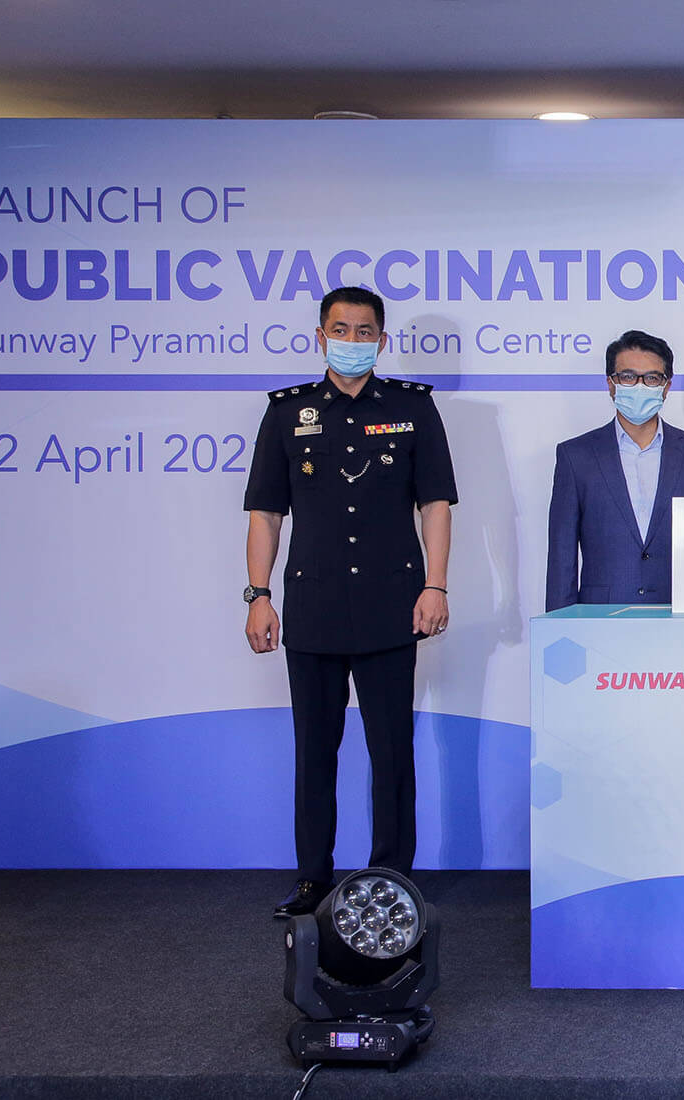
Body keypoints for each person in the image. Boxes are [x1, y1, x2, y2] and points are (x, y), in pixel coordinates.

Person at [243, 286, 457, 918]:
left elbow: (436, 505)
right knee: (315, 751)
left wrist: (435, 584)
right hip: (313, 608)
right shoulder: (287, 413)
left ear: (382, 341)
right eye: (342, 329)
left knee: (392, 751)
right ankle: (313, 877)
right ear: (320, 336)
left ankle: (393, 875)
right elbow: (265, 514)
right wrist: (259, 595)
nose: (354, 341)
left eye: (366, 331)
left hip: (394, 604)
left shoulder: (414, 409)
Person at [546, 329, 684, 610]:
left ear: (666, 386)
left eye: (651, 378)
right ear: (611, 384)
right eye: (628, 377)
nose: (639, 386)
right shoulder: (575, 456)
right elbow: (561, 556)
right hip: (599, 619)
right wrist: (558, 627)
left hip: (679, 617)